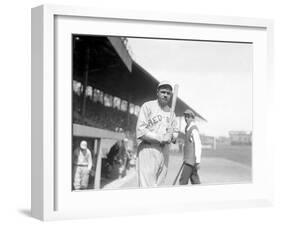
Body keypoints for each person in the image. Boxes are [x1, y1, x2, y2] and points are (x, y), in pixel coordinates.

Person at [136, 81, 178, 188]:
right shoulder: (148, 106)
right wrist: (161, 138)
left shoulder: (172, 113)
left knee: (159, 186)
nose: (165, 95)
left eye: (168, 93)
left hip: (164, 151)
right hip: (148, 149)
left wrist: (172, 135)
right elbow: (141, 131)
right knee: (146, 187)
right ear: (157, 92)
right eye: (163, 92)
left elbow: (175, 134)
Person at [179, 109, 202, 185]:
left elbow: (198, 145)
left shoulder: (193, 129)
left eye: (188, 117)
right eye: (185, 116)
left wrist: (198, 161)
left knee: (183, 181)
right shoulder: (187, 128)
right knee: (195, 180)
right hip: (188, 160)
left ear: (192, 118)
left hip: (191, 161)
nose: (186, 118)